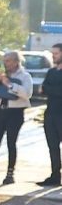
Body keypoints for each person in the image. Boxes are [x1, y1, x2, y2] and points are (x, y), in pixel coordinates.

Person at [0, 51, 33, 185]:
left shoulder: (25, 76)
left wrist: (9, 84)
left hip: (15, 113)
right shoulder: (0, 75)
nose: (5, 63)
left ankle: (10, 174)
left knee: (11, 143)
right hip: (0, 111)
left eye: (8, 60)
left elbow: (27, 94)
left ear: (16, 62)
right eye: (4, 60)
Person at [39, 43, 62, 187]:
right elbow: (42, 89)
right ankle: (55, 176)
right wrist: (52, 89)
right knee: (52, 147)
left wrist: (49, 89)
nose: (53, 56)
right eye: (52, 53)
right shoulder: (51, 72)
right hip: (50, 115)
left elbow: (57, 91)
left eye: (56, 53)